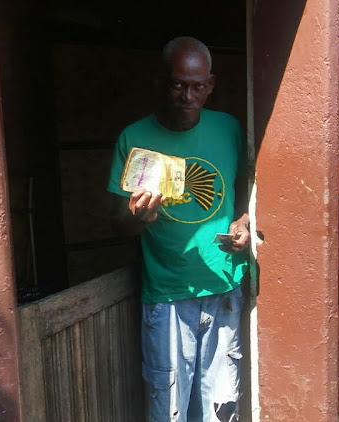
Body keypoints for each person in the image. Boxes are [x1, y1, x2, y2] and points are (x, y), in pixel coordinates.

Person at [107, 36, 250, 422]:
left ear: (211, 85)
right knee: (167, 409)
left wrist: (244, 218)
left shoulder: (230, 129)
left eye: (198, 86)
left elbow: (245, 183)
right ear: (162, 82)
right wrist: (136, 218)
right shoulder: (134, 139)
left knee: (222, 407)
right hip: (168, 297)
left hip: (225, 290)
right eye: (178, 84)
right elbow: (118, 221)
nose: (188, 95)